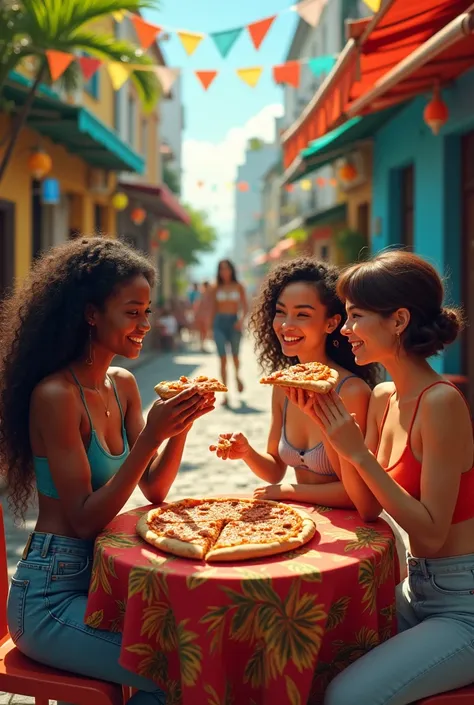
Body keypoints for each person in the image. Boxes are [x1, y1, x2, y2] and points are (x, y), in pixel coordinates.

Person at [0, 237, 215, 704]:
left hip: (103, 585)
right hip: (50, 597)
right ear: (92, 313)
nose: (145, 325)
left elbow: (155, 489)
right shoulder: (56, 396)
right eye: (132, 312)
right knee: (174, 671)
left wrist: (181, 422)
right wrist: (152, 436)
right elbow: (81, 519)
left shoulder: (122, 385)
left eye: (147, 312)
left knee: (202, 648)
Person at [289, 251, 474, 705]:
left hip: (462, 603)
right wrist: (332, 432)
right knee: (314, 652)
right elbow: (367, 506)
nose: (345, 329)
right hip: (417, 587)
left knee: (347, 695)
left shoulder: (441, 402)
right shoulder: (384, 395)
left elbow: (430, 535)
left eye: (355, 316)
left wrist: (357, 452)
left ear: (399, 320)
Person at [214, 258, 379, 505]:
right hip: (300, 524)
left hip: (350, 533)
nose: (286, 325)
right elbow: (274, 470)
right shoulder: (283, 387)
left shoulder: (352, 391)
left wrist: (289, 492)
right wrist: (246, 452)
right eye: (280, 312)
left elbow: (360, 495)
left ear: (331, 323)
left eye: (302, 314)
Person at [211, 259, 248, 406]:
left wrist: (241, 321)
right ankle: (225, 395)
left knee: (235, 357)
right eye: (221, 269)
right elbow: (212, 308)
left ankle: (237, 376)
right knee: (222, 359)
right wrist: (209, 328)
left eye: (227, 269)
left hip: (234, 323)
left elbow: (245, 306)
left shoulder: (239, 286)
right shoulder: (216, 287)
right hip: (219, 324)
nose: (224, 272)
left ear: (232, 270)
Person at [194, 281, 213, 352]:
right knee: (201, 331)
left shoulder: (209, 295)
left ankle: (203, 345)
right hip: (202, 315)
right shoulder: (201, 295)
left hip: (206, 315)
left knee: (204, 331)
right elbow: (197, 305)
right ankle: (202, 345)